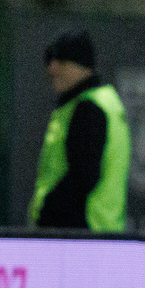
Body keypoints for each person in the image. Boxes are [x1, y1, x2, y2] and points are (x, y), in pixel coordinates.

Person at [30, 30, 129, 232]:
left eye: (60, 62)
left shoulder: (88, 108)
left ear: (79, 66)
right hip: (101, 230)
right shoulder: (107, 102)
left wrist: (47, 212)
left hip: (79, 234)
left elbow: (83, 177)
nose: (52, 68)